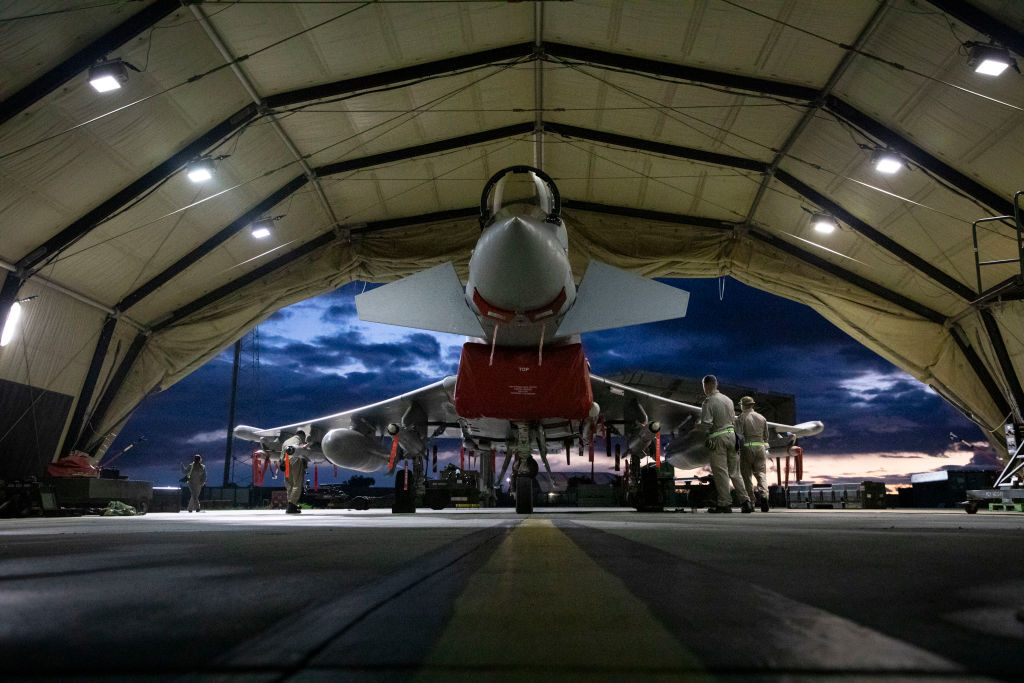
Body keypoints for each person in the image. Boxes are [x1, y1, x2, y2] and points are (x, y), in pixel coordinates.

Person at [700, 375, 751, 513]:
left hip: (718, 438)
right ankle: (746, 502)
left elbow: (706, 423)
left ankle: (724, 504)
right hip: (732, 436)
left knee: (721, 472)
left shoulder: (708, 401)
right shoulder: (728, 400)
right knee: (735, 472)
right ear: (716, 384)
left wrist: (703, 433)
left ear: (706, 386)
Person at [736, 396, 770, 512]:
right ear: (752, 405)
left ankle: (751, 502)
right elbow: (766, 436)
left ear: (743, 405)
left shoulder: (741, 417)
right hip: (760, 447)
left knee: (746, 476)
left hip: (747, 448)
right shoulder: (762, 418)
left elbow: (738, 435)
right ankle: (764, 496)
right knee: (761, 474)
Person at [282, 430, 308, 515]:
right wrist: (305, 464)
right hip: (296, 460)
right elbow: (303, 454)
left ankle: (290, 504)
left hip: (286, 460)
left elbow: (282, 454)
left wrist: (282, 463)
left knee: (289, 483)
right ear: (302, 436)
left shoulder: (286, 441)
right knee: (297, 483)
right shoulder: (300, 441)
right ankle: (292, 505)